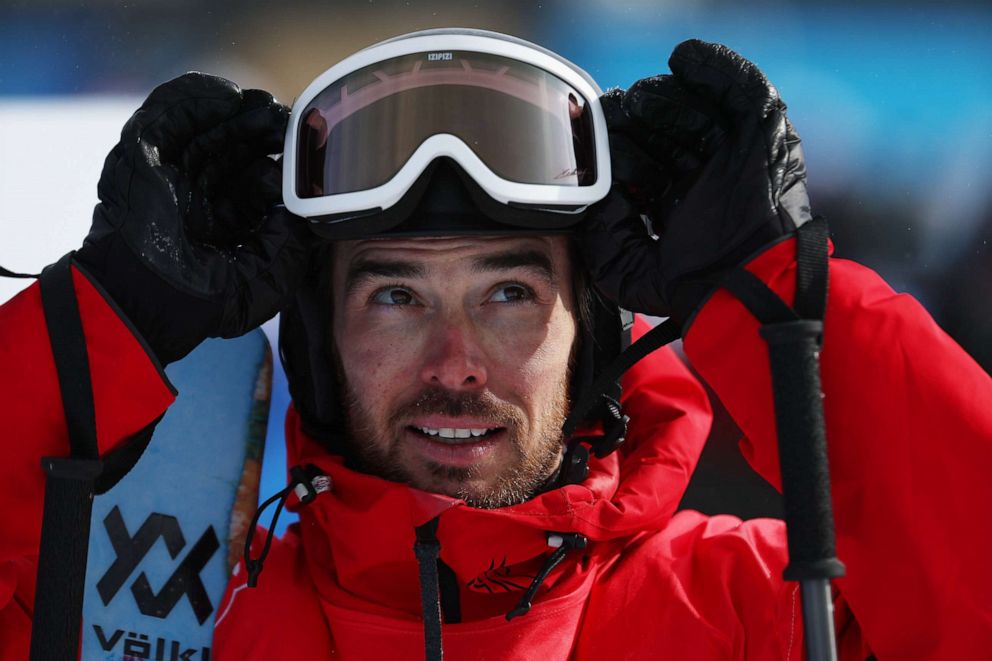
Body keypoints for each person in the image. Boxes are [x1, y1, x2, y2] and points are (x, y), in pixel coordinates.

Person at [2, 28, 990, 660]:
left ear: (593, 335)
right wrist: (105, 317)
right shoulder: (161, 623)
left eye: (509, 292)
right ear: (317, 345)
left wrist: (774, 299)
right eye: (394, 296)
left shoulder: (762, 615)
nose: (455, 362)